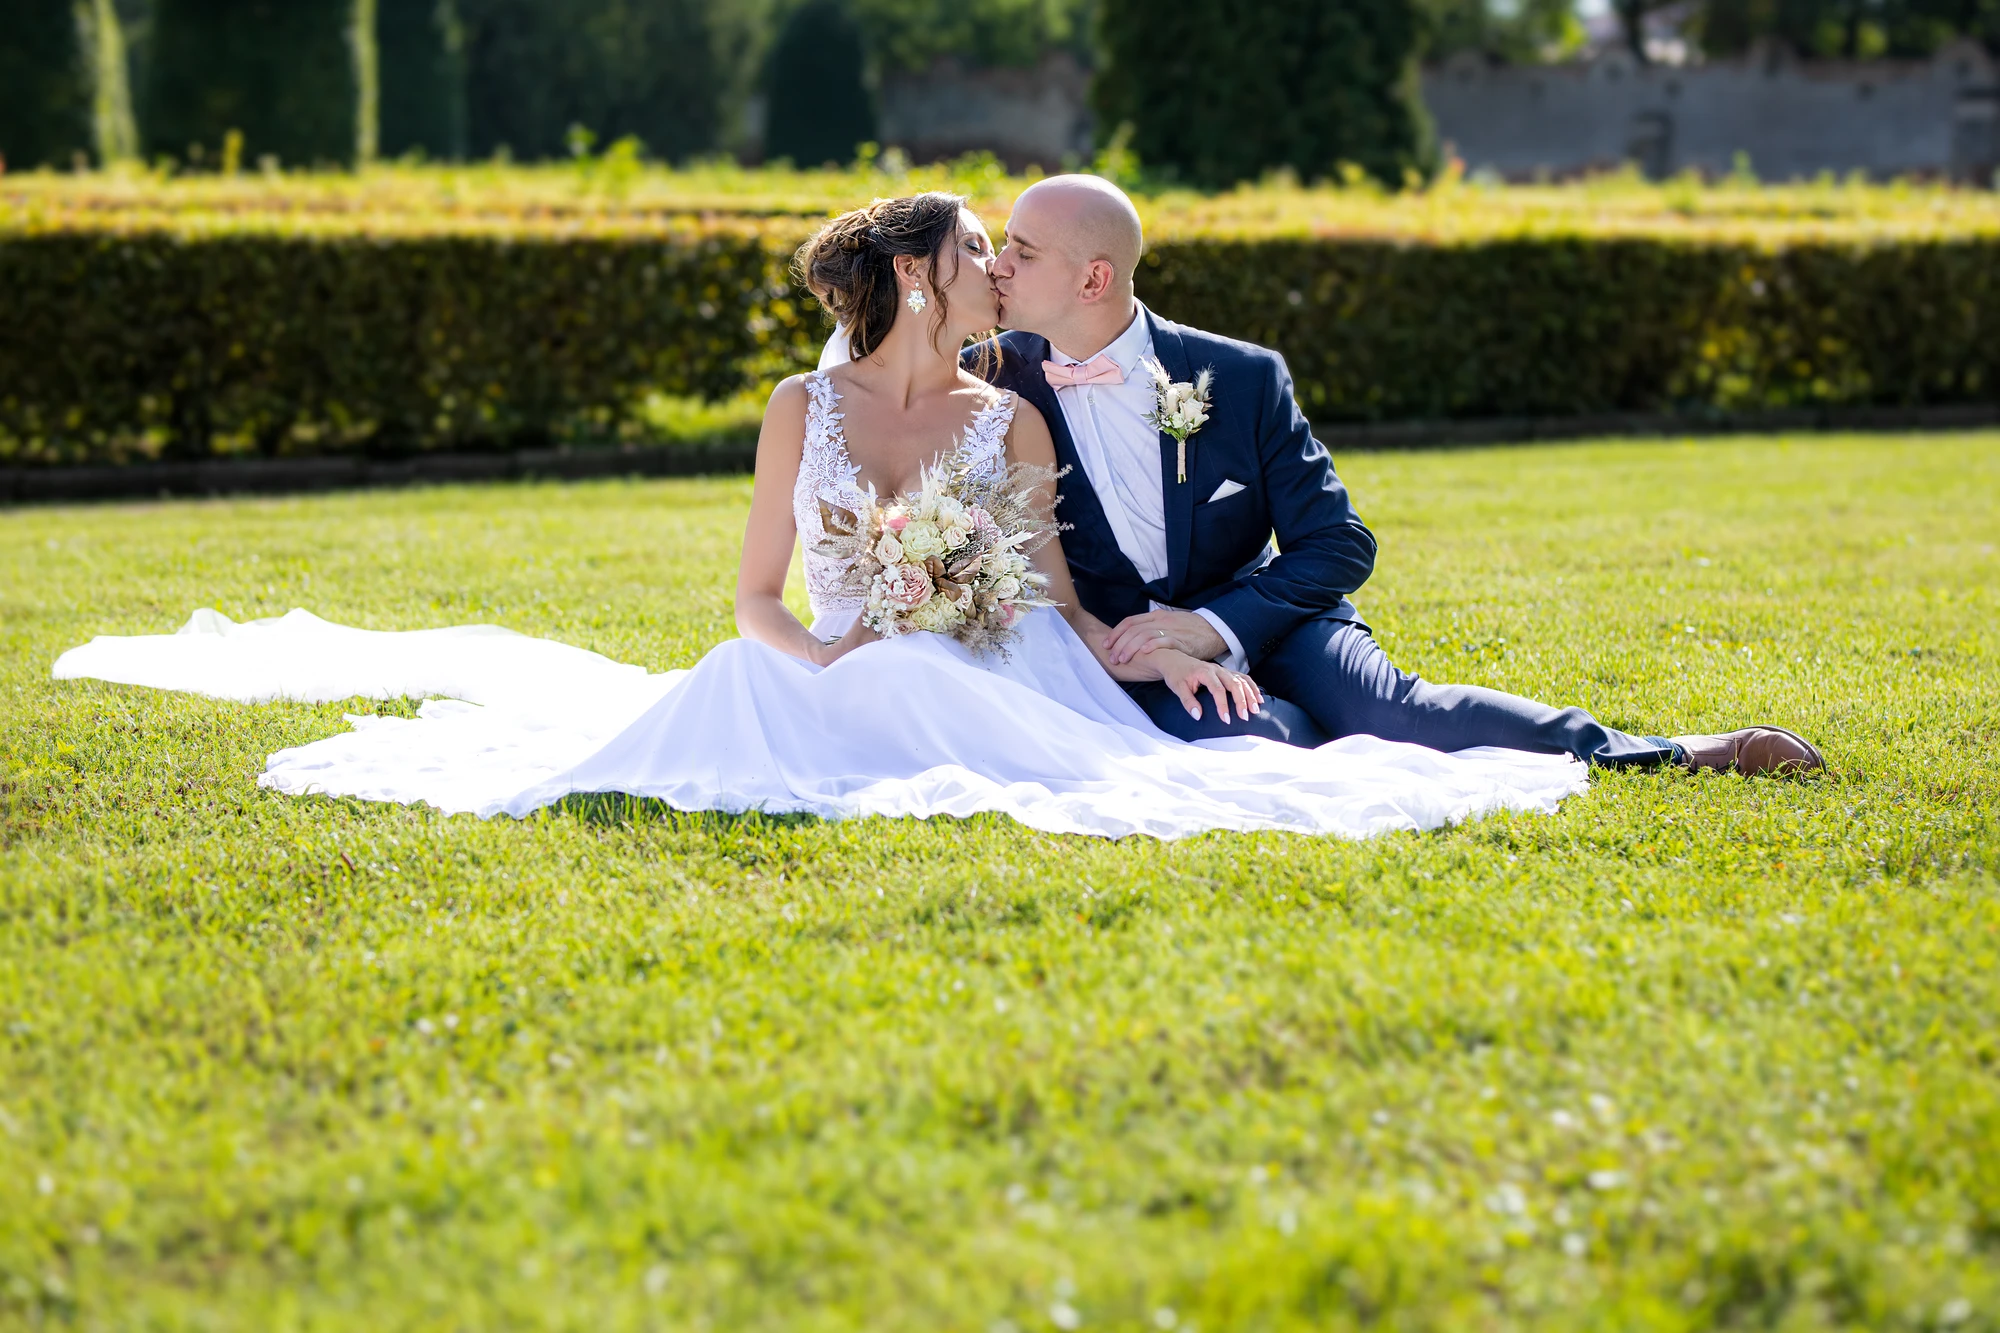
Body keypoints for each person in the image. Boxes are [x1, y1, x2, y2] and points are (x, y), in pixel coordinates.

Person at [50, 192, 1591, 841]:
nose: (1001, 267)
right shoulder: (806, 408)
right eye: (982, 249)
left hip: (1001, 648)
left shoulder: (1012, 408)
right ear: (923, 277)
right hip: (847, 654)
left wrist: (1125, 634)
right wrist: (836, 653)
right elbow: (754, 602)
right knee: (760, 683)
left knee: (973, 682)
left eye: (1014, 251)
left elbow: (1051, 577)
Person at [977, 174, 1823, 777]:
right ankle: (1325, 734)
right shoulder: (991, 381)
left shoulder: (1238, 376)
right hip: (1137, 654)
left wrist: (1216, 625)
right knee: (1255, 744)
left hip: (1274, 619)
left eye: (1020, 248)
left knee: (1396, 714)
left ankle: (1675, 752)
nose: (998, 267)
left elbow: (1337, 543)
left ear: (1093, 277)